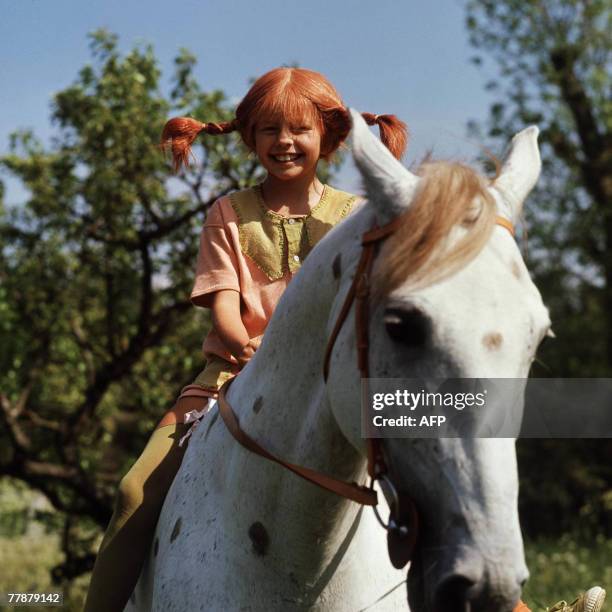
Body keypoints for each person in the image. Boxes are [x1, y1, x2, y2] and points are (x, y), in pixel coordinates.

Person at [84, 67, 606, 612]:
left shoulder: (358, 216)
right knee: (132, 494)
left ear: (328, 137)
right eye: (268, 130)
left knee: (435, 467)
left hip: (340, 384)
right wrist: (248, 344)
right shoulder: (227, 214)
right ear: (250, 138)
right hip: (227, 381)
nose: (283, 142)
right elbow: (224, 311)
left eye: (299, 130)